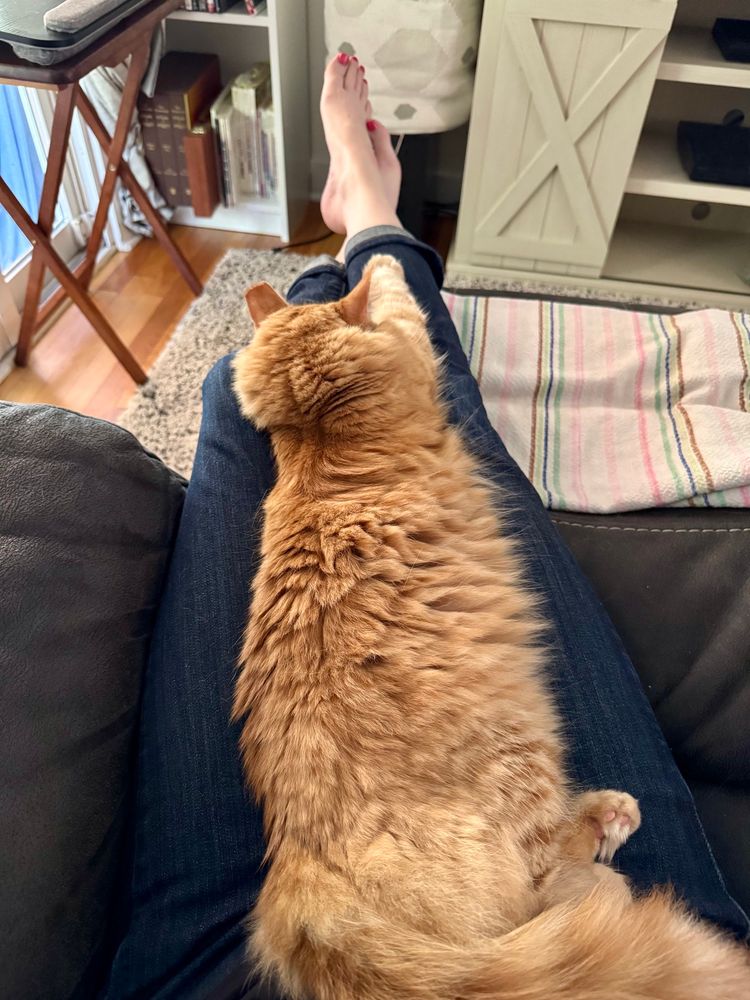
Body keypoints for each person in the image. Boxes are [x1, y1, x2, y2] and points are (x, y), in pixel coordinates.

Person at [103, 54, 748, 1000]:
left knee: (244, 390)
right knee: (425, 410)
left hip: (232, 964)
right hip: (442, 920)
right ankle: (373, 231)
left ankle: (361, 239)